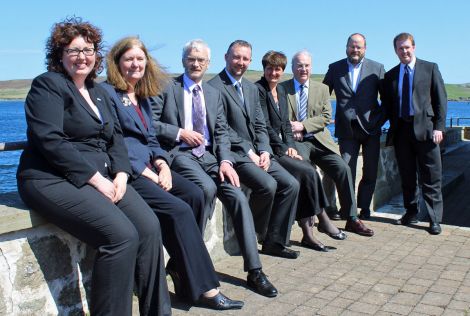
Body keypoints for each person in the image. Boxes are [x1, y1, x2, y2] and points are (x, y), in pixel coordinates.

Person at [16, 18, 170, 316]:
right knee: (121, 236)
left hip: (104, 176)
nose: (82, 56)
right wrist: (97, 179)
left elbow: (116, 140)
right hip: (51, 178)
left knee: (150, 228)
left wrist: (122, 174)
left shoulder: (98, 92)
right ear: (59, 55)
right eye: (73, 50)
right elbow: (49, 140)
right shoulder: (48, 85)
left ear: (96, 55)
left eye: (88, 50)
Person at [102, 37, 243, 310]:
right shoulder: (109, 94)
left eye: (140, 59)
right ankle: (206, 288)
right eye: (129, 59)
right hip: (130, 172)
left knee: (194, 194)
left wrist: (163, 164)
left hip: (152, 166)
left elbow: (150, 138)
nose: (135, 64)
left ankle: (180, 270)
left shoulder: (140, 94)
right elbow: (116, 142)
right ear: (117, 62)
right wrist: (150, 173)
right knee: (179, 210)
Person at [152, 39, 278, 298]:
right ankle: (186, 260)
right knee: (206, 189)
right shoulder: (167, 88)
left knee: (238, 196)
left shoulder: (213, 93)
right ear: (183, 60)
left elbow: (221, 133)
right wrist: (179, 132)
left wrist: (225, 160)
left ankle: (255, 271)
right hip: (182, 155)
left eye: (200, 60)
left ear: (208, 63)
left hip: (211, 157)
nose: (195, 63)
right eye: (191, 59)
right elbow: (150, 123)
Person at [208, 40, 300, 257]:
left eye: (245, 58)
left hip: (259, 153)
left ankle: (274, 242)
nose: (241, 62)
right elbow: (222, 129)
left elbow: (259, 124)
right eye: (236, 57)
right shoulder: (213, 87)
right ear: (226, 57)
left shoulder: (250, 88)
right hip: (235, 154)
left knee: (291, 185)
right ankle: (251, 233)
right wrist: (250, 152)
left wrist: (265, 150)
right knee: (267, 185)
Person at [256, 50, 346, 251]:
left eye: (278, 69)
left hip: (282, 147)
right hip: (268, 149)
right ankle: (321, 220)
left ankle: (309, 233)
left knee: (307, 171)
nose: (274, 73)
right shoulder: (258, 91)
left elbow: (286, 126)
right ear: (264, 69)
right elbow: (264, 126)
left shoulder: (279, 91)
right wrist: (283, 148)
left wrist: (289, 146)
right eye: (270, 68)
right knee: (306, 172)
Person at [281, 50, 374, 237]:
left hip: (320, 141)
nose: (303, 69)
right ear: (292, 68)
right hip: (297, 143)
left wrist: (303, 126)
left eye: (307, 65)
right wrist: (294, 132)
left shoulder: (321, 89)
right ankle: (316, 219)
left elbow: (325, 117)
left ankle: (352, 218)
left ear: (311, 67)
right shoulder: (282, 89)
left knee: (343, 169)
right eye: (299, 65)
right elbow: (280, 118)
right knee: (306, 171)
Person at [382, 33, 447, 235]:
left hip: (427, 132)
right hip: (402, 132)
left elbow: (440, 100)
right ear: (395, 51)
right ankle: (411, 212)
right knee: (407, 176)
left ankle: (434, 219)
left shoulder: (430, 68)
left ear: (414, 47)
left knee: (431, 176)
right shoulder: (391, 75)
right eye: (400, 48)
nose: (404, 51)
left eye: (407, 47)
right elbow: (387, 106)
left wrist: (439, 127)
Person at [323, 33, 385, 220]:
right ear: (346, 47)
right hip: (346, 130)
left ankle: (364, 208)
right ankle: (348, 209)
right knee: (346, 171)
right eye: (352, 46)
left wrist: (378, 121)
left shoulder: (377, 68)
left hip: (371, 130)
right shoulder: (335, 68)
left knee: (370, 171)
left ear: (365, 48)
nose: (355, 50)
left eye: (359, 47)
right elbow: (323, 96)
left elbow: (388, 101)